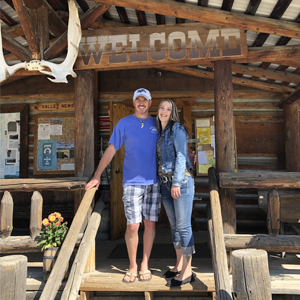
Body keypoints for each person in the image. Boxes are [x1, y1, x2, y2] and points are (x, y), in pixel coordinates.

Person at [85, 88, 160, 283]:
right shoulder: (124, 123)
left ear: (150, 102)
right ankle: (132, 265)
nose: (141, 103)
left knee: (150, 224)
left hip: (154, 181)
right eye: (138, 100)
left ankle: (144, 264)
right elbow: (111, 150)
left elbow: (171, 146)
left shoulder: (158, 123)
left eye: (145, 99)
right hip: (132, 183)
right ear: (133, 102)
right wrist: (97, 175)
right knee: (133, 226)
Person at [156, 99, 195, 287]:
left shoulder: (177, 129)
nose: (164, 111)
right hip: (165, 183)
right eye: (162, 108)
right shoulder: (161, 133)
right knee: (174, 227)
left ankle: (187, 271)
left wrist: (177, 182)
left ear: (173, 113)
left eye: (168, 109)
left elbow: (181, 156)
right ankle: (179, 265)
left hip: (180, 182)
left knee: (183, 226)